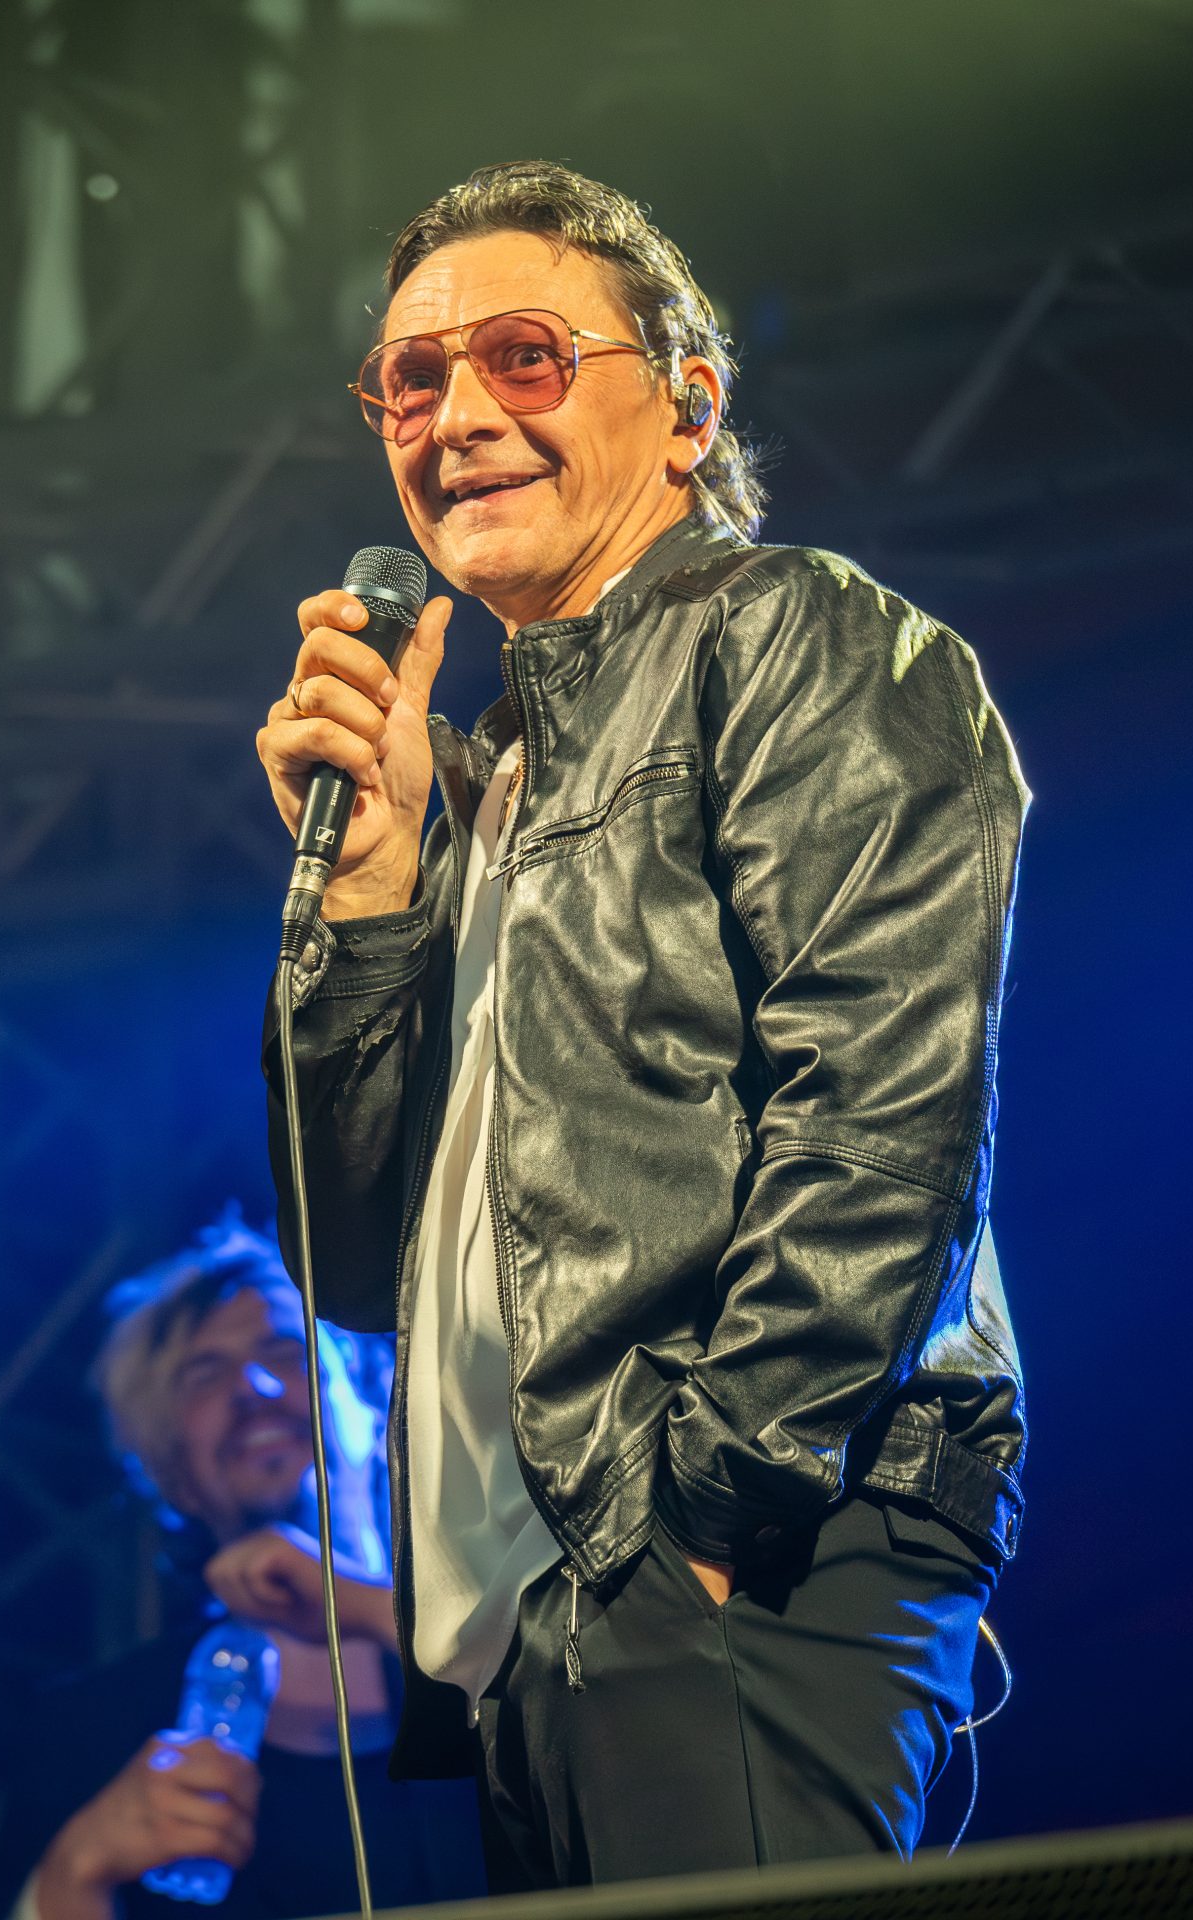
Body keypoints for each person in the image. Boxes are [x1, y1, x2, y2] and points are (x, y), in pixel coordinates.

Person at [255, 161, 1027, 1890]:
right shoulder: (482, 783)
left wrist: (708, 1515)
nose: (459, 415)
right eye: (412, 380)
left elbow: (884, 1106)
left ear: (689, 407)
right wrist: (368, 900)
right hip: (527, 1618)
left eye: (524, 357)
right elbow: (349, 1255)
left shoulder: (793, 634)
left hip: (727, 1560)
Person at [0, 1218, 485, 1919]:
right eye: (203, 1376)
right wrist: (77, 1869)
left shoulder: (513, 1629)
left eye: (284, 1350)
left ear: (369, 1402)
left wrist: (362, 1604)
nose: (252, 1385)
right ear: (169, 1469)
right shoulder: (86, 1731)